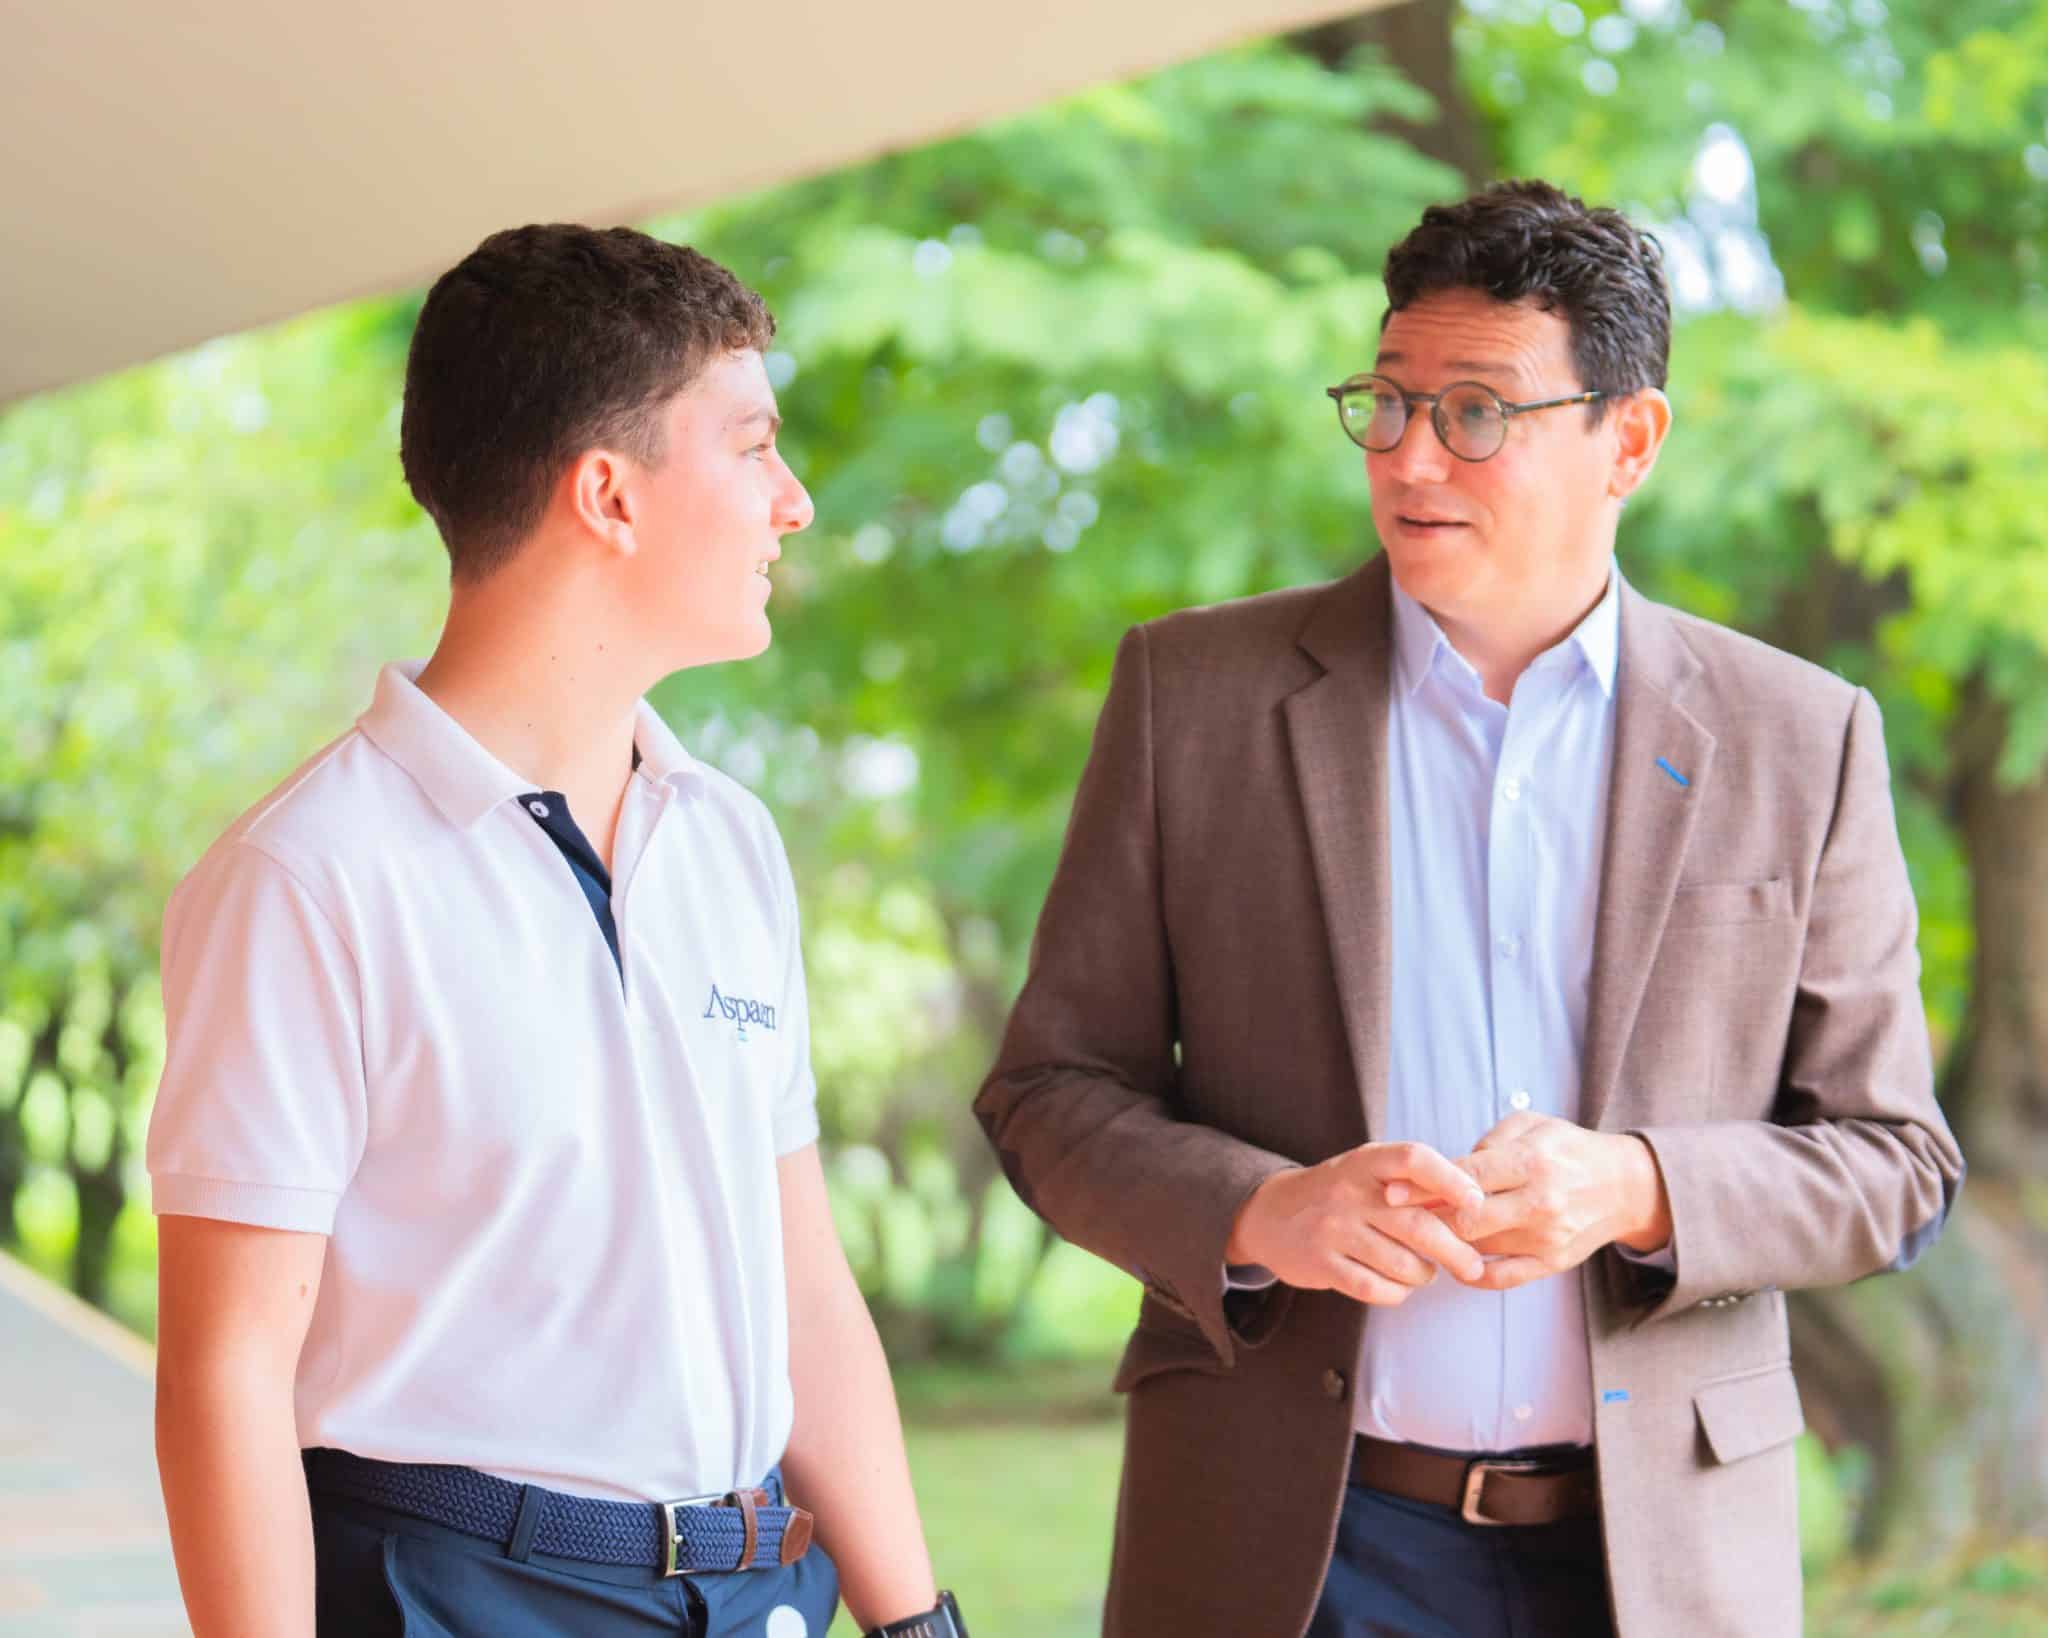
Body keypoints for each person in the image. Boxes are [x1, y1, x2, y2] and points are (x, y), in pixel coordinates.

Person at [975, 180, 1963, 1638]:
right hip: (1289, 1554)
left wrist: (1636, 1187)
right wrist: (1263, 1210)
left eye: (1477, 412)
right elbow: (1050, 1094)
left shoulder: (1800, 736)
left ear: (1629, 440)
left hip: (1655, 1565)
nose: (1412, 455)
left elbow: (1894, 1162)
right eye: (1387, 402)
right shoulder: (1194, 699)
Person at [149, 224, 968, 1638]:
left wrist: (917, 1624)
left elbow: (804, 1287)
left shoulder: (730, 844)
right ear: (609, 495)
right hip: (457, 1593)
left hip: (756, 1585)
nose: (797, 501)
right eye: (754, 445)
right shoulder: (308, 877)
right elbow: (225, 1374)